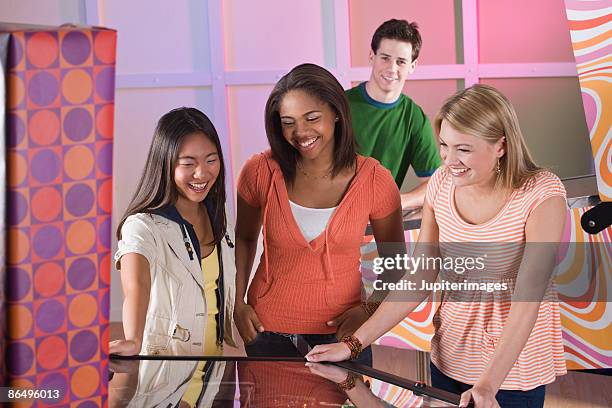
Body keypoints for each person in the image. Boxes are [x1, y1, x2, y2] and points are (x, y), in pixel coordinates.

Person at [307, 84, 568, 408]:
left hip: (513, 372)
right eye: (444, 145)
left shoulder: (541, 193)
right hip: (450, 359)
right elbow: (419, 279)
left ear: (500, 146)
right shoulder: (442, 185)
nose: (449, 159)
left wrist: (487, 385)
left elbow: (529, 296)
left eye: (464, 149)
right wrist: (353, 344)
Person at [234, 63, 406, 365]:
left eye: (312, 118)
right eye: (288, 122)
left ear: (336, 112)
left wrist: (368, 310)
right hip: (267, 331)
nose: (300, 132)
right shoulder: (259, 171)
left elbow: (397, 262)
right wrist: (236, 302)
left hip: (345, 334)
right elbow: (244, 238)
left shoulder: (375, 179)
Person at [109, 108, 237, 406]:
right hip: (165, 382)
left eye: (211, 160)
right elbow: (136, 287)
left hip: (216, 379)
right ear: (165, 165)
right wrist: (133, 340)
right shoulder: (142, 225)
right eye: (188, 164)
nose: (202, 173)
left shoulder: (219, 218)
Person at [346, 19, 442, 209]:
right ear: (371, 56)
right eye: (385, 58)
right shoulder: (340, 107)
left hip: (380, 225)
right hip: (333, 220)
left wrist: (398, 201)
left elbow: (436, 183)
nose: (392, 68)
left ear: (413, 66)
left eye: (401, 62)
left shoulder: (414, 117)